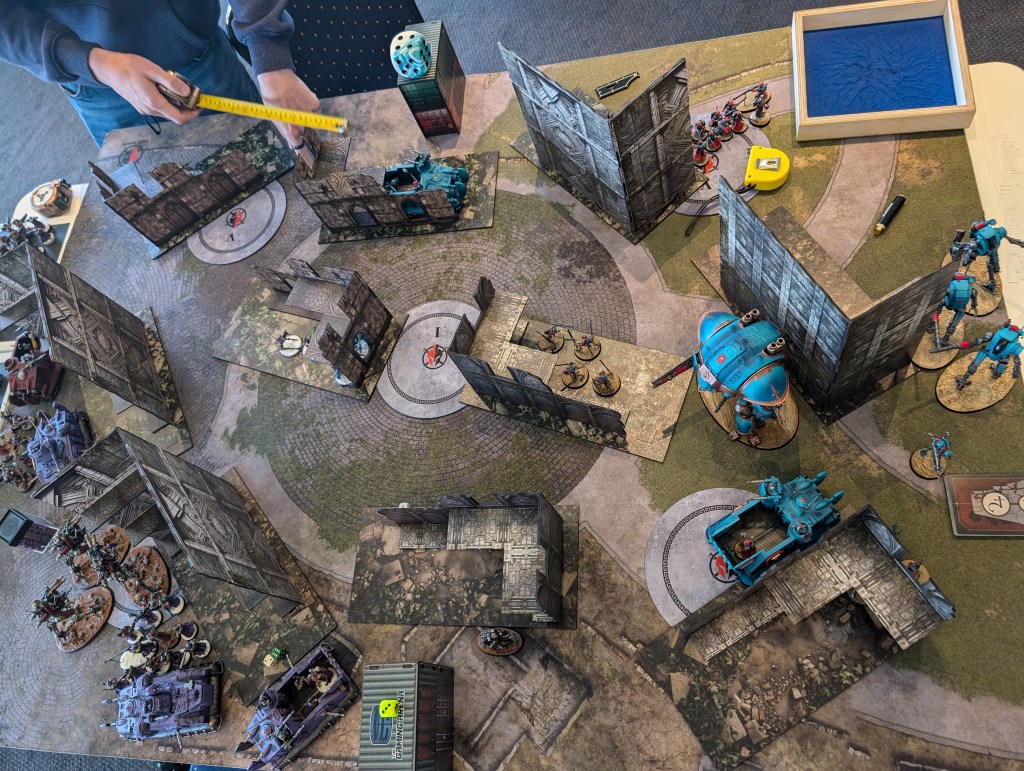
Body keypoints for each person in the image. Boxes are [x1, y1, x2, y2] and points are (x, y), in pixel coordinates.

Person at [0, 1, 318, 147]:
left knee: (269, 164)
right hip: (96, 86)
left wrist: (269, 53)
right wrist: (93, 63)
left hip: (195, 51)